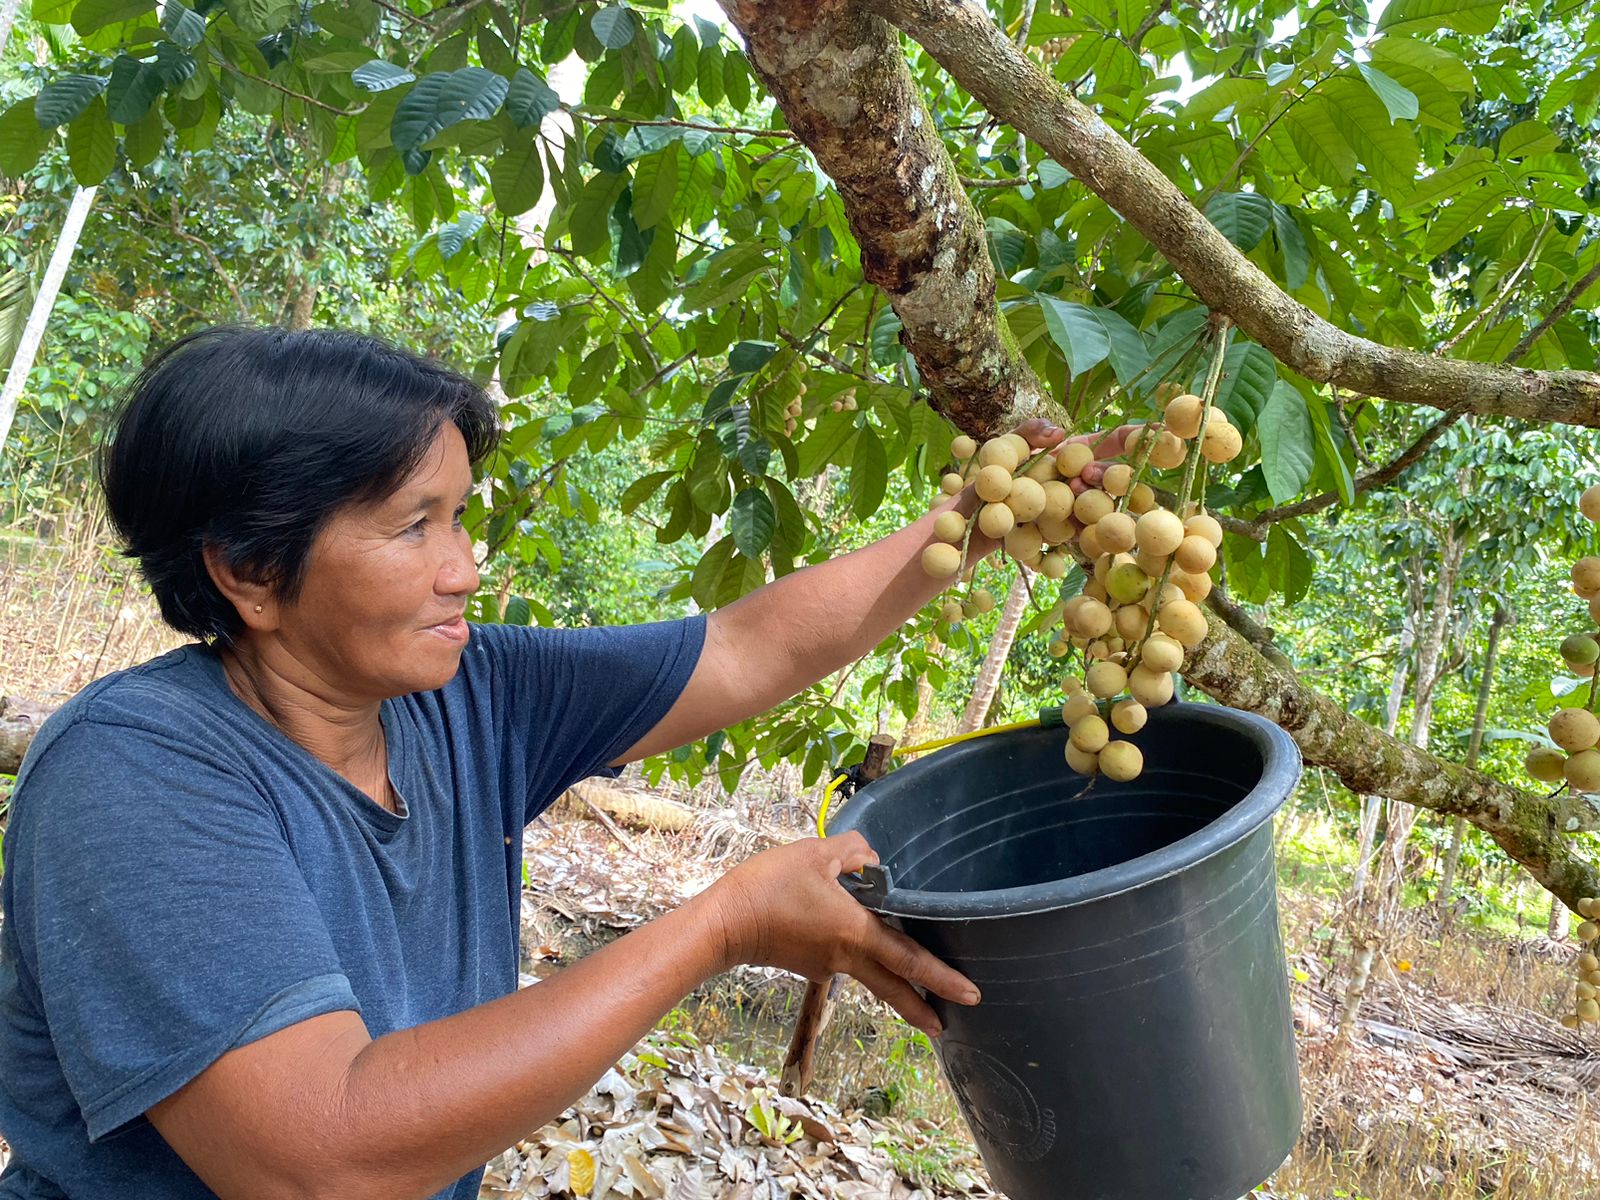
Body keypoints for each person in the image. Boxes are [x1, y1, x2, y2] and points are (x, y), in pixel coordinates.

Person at [0, 326, 1118, 1199]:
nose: (466, 570)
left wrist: (970, 528)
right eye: (414, 527)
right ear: (247, 570)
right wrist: (718, 929)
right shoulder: (135, 778)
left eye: (462, 518)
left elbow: (741, 648)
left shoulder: (466, 693)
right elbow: (320, 1160)